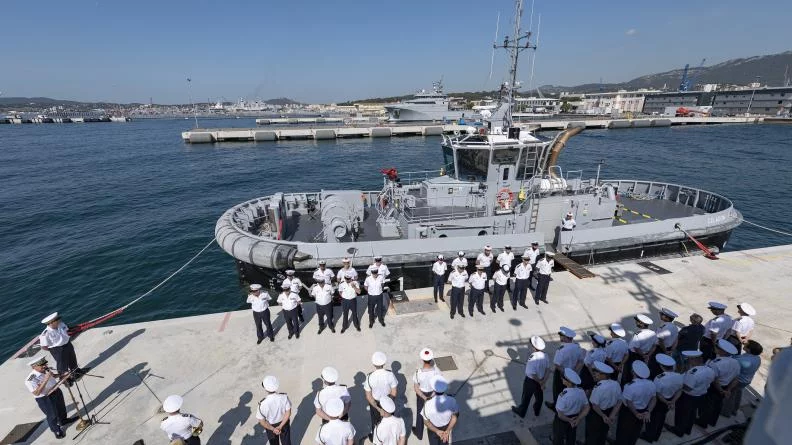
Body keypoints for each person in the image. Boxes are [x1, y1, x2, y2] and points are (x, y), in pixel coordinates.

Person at [25, 356, 77, 439]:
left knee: (61, 408)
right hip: (45, 398)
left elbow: (53, 376)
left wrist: (61, 374)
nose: (44, 366)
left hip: (56, 390)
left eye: (45, 364)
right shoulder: (30, 380)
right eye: (41, 365)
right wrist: (45, 379)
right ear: (34, 367)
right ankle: (56, 430)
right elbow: (37, 393)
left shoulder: (46, 370)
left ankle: (63, 420)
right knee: (52, 415)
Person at [669, 350, 715, 437]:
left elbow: (687, 388)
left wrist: (678, 385)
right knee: (692, 413)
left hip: (688, 396)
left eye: (689, 360)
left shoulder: (693, 373)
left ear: (694, 360)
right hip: (700, 395)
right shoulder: (709, 370)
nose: (688, 362)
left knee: (682, 414)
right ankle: (687, 429)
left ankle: (679, 430)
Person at [696, 339, 739, 428]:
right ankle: (712, 421)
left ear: (722, 351)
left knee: (707, 404)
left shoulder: (716, 363)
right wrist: (728, 390)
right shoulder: (736, 362)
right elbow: (736, 378)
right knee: (717, 404)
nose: (715, 348)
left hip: (714, 387)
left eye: (717, 347)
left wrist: (721, 390)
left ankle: (703, 422)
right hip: (725, 386)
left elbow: (714, 379)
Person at [641, 354, 682, 443]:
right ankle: (656, 435)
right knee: (662, 417)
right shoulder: (679, 376)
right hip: (670, 399)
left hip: (660, 402)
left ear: (661, 366)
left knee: (653, 419)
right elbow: (679, 390)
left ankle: (649, 436)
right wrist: (672, 401)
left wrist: (667, 402)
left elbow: (657, 395)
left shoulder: (659, 378)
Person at [616, 361, 656, 445]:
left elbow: (629, 402)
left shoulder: (629, 386)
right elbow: (653, 399)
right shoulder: (651, 384)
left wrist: (636, 413)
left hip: (629, 412)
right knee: (635, 432)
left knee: (623, 433)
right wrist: (648, 411)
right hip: (644, 411)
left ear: (633, 372)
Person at [39, 313, 89, 379]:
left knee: (72, 359)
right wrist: (54, 350)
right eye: (57, 319)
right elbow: (43, 346)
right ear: (51, 323)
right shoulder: (46, 334)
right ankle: (65, 379)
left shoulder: (61, 324)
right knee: (62, 365)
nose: (59, 320)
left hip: (67, 344)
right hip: (57, 349)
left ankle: (76, 373)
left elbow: (67, 331)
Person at [511, 336, 550, 418]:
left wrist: (540, 382)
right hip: (541, 379)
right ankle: (537, 411)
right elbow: (547, 370)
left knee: (526, 397)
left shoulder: (532, 357)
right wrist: (543, 382)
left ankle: (521, 412)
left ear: (534, 347)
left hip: (531, 381)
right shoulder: (545, 356)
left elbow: (532, 374)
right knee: (539, 397)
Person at [722, 340, 763, 417]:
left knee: (730, 395)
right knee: (737, 394)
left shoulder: (745, 361)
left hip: (738, 381)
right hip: (746, 380)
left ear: (749, 349)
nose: (744, 344)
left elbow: (732, 361)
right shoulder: (757, 358)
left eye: (746, 345)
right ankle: (734, 409)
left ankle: (726, 412)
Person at [585, 361, 621, 445]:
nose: (594, 374)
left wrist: (603, 416)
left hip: (597, 414)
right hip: (609, 412)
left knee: (592, 435)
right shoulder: (616, 384)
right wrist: (612, 415)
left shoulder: (598, 387)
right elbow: (619, 401)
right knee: (603, 434)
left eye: (596, 372)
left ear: (603, 375)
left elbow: (594, 405)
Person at [364, 352, 398, 441]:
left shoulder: (369, 377)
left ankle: (376, 439)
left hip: (375, 403)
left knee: (376, 423)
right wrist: (388, 405)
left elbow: (368, 396)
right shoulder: (390, 374)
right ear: (384, 363)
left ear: (373, 364)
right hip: (388, 400)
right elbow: (394, 392)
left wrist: (379, 409)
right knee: (390, 422)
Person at [552, 368, 589, 445]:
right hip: (575, 418)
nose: (562, 379)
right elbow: (587, 407)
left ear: (568, 382)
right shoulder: (581, 392)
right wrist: (578, 418)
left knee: (558, 437)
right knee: (571, 436)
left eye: (564, 378)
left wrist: (569, 420)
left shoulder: (563, 396)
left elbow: (560, 414)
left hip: (563, 420)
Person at [412, 348, 442, 439]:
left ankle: (419, 433)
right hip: (433, 394)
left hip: (422, 394)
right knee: (433, 412)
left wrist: (424, 398)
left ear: (422, 359)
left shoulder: (418, 373)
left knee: (420, 413)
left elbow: (416, 388)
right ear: (431, 360)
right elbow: (439, 385)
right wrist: (432, 395)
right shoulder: (436, 371)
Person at [550, 327, 584, 404]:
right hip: (572, 372)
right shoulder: (577, 347)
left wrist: (564, 373)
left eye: (561, 336)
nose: (560, 337)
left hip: (561, 373)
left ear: (565, 338)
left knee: (557, 390)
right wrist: (573, 372)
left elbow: (557, 364)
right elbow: (580, 361)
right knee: (567, 389)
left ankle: (556, 406)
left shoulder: (561, 349)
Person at [422, 376, 459, 445]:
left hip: (433, 429)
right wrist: (447, 430)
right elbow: (454, 417)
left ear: (433, 389)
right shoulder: (452, 400)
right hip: (446, 427)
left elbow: (426, 422)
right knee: (445, 442)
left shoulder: (427, 404)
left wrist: (437, 431)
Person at [257, 376, 292, 445]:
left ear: (265, 389)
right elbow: (288, 412)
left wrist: (273, 429)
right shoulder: (284, 397)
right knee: (286, 443)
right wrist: (280, 426)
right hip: (284, 423)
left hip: (270, 426)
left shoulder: (262, 404)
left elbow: (262, 421)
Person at [623, 314, 656, 386]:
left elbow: (636, 348)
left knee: (628, 373)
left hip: (634, 356)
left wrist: (643, 355)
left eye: (637, 321)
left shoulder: (638, 334)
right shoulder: (653, 333)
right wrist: (647, 355)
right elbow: (654, 345)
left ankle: (626, 386)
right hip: (645, 355)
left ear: (641, 324)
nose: (636, 323)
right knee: (640, 372)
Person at [651, 308, 679, 378]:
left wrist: (665, 351)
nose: (660, 315)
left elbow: (660, 340)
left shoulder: (665, 327)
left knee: (655, 367)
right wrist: (672, 350)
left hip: (660, 349)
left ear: (666, 317)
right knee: (664, 366)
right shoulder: (674, 327)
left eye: (662, 314)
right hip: (667, 349)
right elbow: (676, 339)